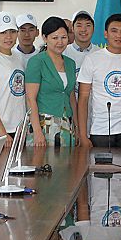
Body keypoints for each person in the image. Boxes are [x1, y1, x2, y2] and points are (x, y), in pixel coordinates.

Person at [77, 13, 121, 148]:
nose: (118, 36)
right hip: (101, 129)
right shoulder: (92, 59)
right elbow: (83, 99)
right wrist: (83, 135)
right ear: (105, 34)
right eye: (114, 31)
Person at [26, 16, 77, 147]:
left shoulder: (70, 63)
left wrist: (76, 126)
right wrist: (37, 131)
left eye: (63, 37)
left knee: (68, 160)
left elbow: (71, 97)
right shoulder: (36, 62)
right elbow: (30, 99)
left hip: (67, 124)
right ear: (45, 38)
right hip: (44, 125)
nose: (60, 42)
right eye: (55, 38)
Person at [0, 12, 28, 147]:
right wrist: (2, 132)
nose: (8, 37)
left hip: (19, 129)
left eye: (12, 32)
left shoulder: (19, 57)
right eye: (3, 32)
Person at [62, 10, 98, 75]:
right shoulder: (63, 53)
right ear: (72, 28)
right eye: (79, 25)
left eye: (88, 25)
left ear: (93, 28)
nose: (83, 29)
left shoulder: (99, 53)